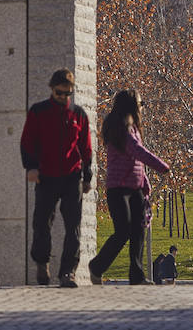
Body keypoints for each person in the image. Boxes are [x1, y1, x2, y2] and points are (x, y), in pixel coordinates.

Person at [88, 89, 170, 286]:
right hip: (118, 189)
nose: (142, 108)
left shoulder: (131, 128)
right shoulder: (121, 129)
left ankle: (137, 276)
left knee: (138, 231)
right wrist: (162, 166)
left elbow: (136, 163)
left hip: (134, 189)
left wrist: (145, 184)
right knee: (123, 230)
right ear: (132, 107)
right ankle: (97, 266)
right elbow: (137, 152)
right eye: (141, 104)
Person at [20, 68, 93, 287]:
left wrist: (87, 176)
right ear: (52, 89)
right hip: (46, 176)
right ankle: (42, 264)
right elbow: (27, 142)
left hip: (72, 176)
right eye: (60, 93)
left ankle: (67, 272)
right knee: (41, 224)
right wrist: (31, 167)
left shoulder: (79, 114)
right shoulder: (38, 111)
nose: (63, 97)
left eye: (67, 93)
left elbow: (86, 148)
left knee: (74, 227)